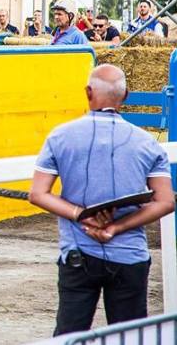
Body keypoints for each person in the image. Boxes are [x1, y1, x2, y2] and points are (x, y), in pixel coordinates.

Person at [29, 65, 175, 336]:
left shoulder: (60, 136)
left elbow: (38, 194)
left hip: (78, 251)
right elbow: (165, 202)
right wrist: (116, 228)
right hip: (129, 255)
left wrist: (80, 214)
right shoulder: (147, 143)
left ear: (88, 92)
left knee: (70, 335)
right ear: (126, 95)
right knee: (131, 337)